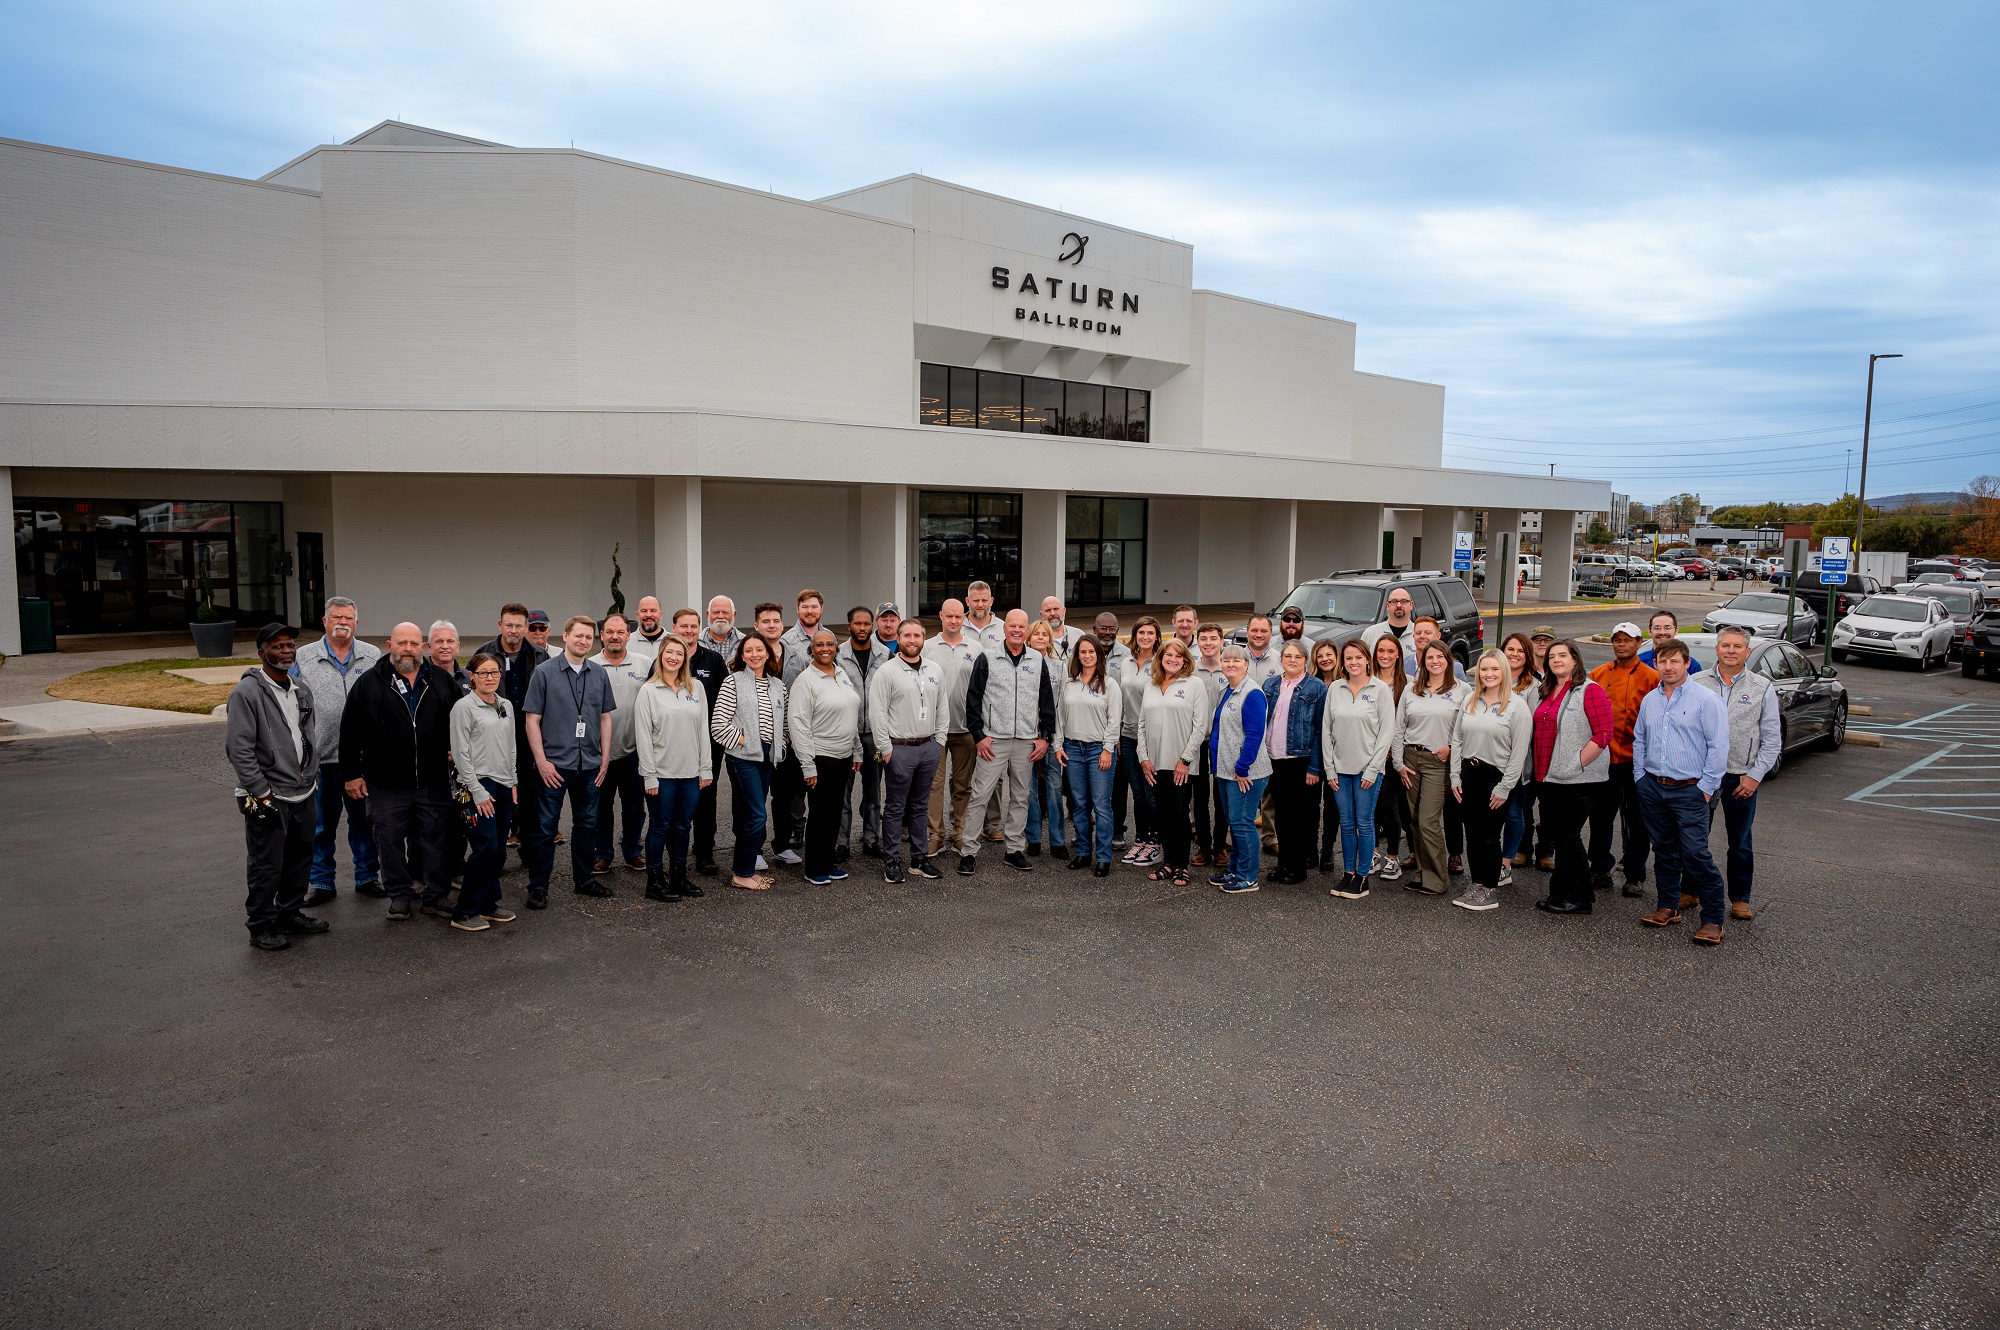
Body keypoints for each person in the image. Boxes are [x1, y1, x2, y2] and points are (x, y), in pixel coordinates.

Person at [340, 621, 460, 921]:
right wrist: (351, 774)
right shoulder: (369, 683)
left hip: (432, 779)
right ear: (389, 645)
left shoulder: (440, 681)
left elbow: (460, 719)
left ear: (423, 647)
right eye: (401, 643)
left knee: (436, 840)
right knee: (389, 841)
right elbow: (350, 732)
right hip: (385, 783)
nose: (408, 649)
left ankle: (435, 895)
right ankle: (400, 896)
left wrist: (456, 748)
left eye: (414, 643)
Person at [226, 623, 328, 950]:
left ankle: (289, 913)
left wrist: (311, 773)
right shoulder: (246, 694)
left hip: (304, 790)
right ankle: (260, 925)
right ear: (262, 653)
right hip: (268, 795)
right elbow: (239, 749)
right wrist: (261, 790)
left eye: (290, 645)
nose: (286, 651)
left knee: (300, 858)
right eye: (278, 646)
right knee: (266, 864)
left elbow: (308, 735)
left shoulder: (300, 689)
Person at [1634, 639, 1733, 944]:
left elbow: (1719, 746)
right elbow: (1640, 740)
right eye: (1662, 661)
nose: (1668, 667)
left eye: (1675, 661)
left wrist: (1706, 788)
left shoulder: (1706, 700)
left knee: (1695, 854)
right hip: (1653, 787)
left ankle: (1713, 919)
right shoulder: (1650, 700)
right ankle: (1668, 906)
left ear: (1687, 664)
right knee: (1664, 850)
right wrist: (1640, 777)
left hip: (1690, 790)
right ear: (1655, 664)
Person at [291, 596, 382, 906]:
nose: (342, 622)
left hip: (362, 761)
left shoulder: (372, 655)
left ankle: (367, 876)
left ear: (356, 623)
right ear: (325, 621)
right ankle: (321, 882)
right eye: (337, 617)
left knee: (364, 823)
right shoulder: (303, 657)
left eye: (348, 618)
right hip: (320, 760)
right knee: (320, 826)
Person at [522, 615, 617, 907]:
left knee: (587, 826)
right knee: (545, 829)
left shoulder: (599, 673)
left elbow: (605, 717)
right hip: (554, 765)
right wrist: (541, 761)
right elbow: (532, 720)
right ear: (565, 636)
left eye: (588, 637)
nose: (583, 641)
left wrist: (605, 757)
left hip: (589, 765)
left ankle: (584, 880)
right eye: (578, 635)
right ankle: (538, 887)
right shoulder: (544, 673)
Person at [958, 609, 1057, 874]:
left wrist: (1045, 738)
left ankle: (1014, 850)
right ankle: (968, 852)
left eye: (1021, 626)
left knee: (1020, 797)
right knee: (980, 796)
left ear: (1026, 629)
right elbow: (973, 698)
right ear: (1004, 628)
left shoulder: (1037, 659)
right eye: (1012, 625)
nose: (1016, 630)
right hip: (993, 741)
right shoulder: (988, 657)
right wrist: (978, 736)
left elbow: (1046, 700)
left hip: (1026, 741)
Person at [1692, 626, 1780, 923]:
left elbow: (1772, 739)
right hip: (1702, 776)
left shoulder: (1762, 687)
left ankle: (1740, 898)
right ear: (1716, 649)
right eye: (1726, 645)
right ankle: (1690, 890)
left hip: (1740, 778)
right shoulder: (1696, 682)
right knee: (1694, 839)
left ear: (1747, 651)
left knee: (1740, 843)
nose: (1731, 650)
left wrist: (1755, 776)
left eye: (1737, 646)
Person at [1530, 640, 1614, 917]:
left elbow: (1604, 733)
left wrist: (1576, 763)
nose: (1556, 660)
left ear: (1575, 660)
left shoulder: (1590, 690)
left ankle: (1580, 897)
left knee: (1568, 835)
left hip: (1580, 779)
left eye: (1562, 655)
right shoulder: (1546, 690)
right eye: (1552, 656)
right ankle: (1560, 894)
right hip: (1549, 777)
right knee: (1561, 836)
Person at [1450, 649, 1535, 913]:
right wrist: (1455, 775)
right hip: (1468, 773)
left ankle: (1490, 888)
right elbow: (1457, 739)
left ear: (1504, 672)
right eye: (1484, 669)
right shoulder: (1470, 700)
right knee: (1472, 833)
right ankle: (1477, 884)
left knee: (1488, 836)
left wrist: (1505, 786)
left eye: (1495, 669)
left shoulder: (1517, 707)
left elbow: (1519, 751)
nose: (1489, 674)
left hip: (1495, 777)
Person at [869, 617, 948, 884]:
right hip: (899, 748)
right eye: (907, 636)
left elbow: (942, 707)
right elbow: (877, 713)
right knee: (895, 807)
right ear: (898, 639)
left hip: (929, 747)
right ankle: (891, 860)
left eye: (917, 635)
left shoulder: (934, 670)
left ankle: (919, 858)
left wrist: (939, 741)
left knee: (920, 806)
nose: (912, 640)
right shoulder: (887, 672)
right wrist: (886, 749)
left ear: (923, 639)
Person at [633, 636, 712, 903]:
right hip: (662, 774)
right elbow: (643, 736)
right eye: (669, 652)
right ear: (661, 655)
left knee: (682, 826)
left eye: (679, 653)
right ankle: (655, 881)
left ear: (685, 659)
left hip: (690, 773)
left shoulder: (696, 688)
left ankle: (678, 876)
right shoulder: (648, 691)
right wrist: (649, 775)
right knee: (660, 826)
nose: (674, 657)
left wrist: (705, 768)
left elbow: (703, 730)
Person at [447, 653, 520, 932]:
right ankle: (464, 911)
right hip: (475, 785)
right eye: (483, 673)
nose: (490, 678)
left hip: (503, 784)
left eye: (494, 672)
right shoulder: (463, 708)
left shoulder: (506, 705)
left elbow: (511, 746)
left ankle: (488, 903)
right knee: (485, 846)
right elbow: (460, 754)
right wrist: (476, 791)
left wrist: (513, 782)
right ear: (472, 677)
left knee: (498, 847)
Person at [1588, 622, 1659, 897]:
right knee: (1600, 818)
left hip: (1636, 761)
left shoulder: (1651, 677)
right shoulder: (1598, 673)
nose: (1621, 644)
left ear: (1639, 643)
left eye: (1627, 640)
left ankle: (1634, 874)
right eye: (1617, 640)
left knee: (1637, 821)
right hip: (1603, 759)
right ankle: (1600, 869)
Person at [789, 629, 864, 886]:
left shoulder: (841, 673)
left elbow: (850, 714)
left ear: (836, 648)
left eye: (829, 644)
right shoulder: (806, 681)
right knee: (820, 814)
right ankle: (814, 867)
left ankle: (827, 861)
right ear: (811, 649)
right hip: (821, 757)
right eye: (819, 644)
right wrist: (807, 765)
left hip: (844, 756)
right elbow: (798, 724)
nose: (825, 648)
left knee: (834, 812)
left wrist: (856, 749)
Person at [710, 633, 785, 891]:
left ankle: (746, 870)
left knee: (749, 814)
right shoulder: (733, 682)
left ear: (768, 653)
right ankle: (742, 873)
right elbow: (718, 725)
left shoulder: (778, 686)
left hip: (768, 758)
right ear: (742, 656)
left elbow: (783, 725)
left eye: (759, 649)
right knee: (756, 815)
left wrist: (780, 747)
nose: (755, 654)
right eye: (749, 650)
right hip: (743, 758)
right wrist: (744, 740)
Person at [1136, 637, 1212, 887]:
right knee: (1163, 814)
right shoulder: (1151, 685)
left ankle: (1182, 865)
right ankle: (1168, 863)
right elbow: (1141, 725)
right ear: (1160, 658)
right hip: (1155, 764)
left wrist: (1185, 759)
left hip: (1182, 765)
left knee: (1180, 813)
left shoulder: (1194, 684)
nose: (1173, 659)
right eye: (1168, 654)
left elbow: (1201, 726)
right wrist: (1144, 758)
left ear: (1185, 660)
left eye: (1178, 656)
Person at [1324, 638, 1396, 900]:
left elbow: (1386, 732)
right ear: (1343, 662)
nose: (1353, 662)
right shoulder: (1335, 688)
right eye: (1348, 658)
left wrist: (1374, 769)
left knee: (1364, 824)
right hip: (1339, 770)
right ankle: (1349, 872)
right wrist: (1329, 769)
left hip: (1368, 771)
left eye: (1358, 657)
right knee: (1346, 824)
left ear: (1367, 660)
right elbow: (1326, 730)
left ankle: (1363, 877)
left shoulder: (1380, 690)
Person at [1396, 640, 1469, 896]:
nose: (1435, 661)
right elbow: (1399, 728)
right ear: (1423, 661)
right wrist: (1398, 763)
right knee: (1415, 820)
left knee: (1428, 820)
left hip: (1439, 762)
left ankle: (1438, 880)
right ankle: (1422, 875)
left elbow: (1466, 729)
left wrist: (1451, 747)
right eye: (1429, 657)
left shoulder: (1462, 690)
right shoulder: (1411, 689)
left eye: (1440, 656)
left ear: (1448, 660)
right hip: (1411, 759)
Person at [474, 603, 543, 859]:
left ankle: (529, 849)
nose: (513, 630)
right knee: (496, 798)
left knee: (529, 798)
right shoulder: (484, 654)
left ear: (526, 627)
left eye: (518, 626)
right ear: (500, 625)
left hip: (528, 737)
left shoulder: (539, 655)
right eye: (509, 625)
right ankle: (494, 855)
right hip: (493, 739)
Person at [588, 612, 652, 874]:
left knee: (634, 806)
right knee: (601, 808)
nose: (615, 636)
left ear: (628, 635)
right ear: (602, 635)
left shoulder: (645, 664)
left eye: (620, 632)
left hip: (634, 750)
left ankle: (632, 851)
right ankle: (602, 854)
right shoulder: (590, 666)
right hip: (598, 753)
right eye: (610, 632)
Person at [1053, 635, 1121, 876]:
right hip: (1072, 749)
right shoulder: (1069, 684)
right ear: (1077, 655)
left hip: (1098, 750)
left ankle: (1103, 857)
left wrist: (1108, 749)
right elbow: (1060, 717)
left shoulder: (1109, 685)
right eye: (1083, 652)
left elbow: (1114, 720)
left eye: (1092, 651)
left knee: (1101, 805)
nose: (1087, 656)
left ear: (1099, 655)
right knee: (1079, 804)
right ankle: (1083, 852)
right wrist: (1058, 745)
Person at [1260, 640, 1327, 885]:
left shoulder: (1317, 688)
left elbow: (1320, 730)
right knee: (1282, 815)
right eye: (1288, 655)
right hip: (1274, 759)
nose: (1292, 660)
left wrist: (1315, 767)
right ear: (1281, 659)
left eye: (1298, 656)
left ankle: (1297, 869)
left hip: (1301, 760)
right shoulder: (1270, 684)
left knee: (1299, 818)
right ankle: (1283, 864)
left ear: (1306, 660)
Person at [671, 607, 730, 877]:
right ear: (674, 628)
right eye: (683, 626)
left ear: (699, 628)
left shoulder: (713, 660)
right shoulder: (665, 660)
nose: (689, 631)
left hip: (708, 743)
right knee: (676, 798)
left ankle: (705, 852)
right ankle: (676, 855)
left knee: (706, 796)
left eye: (693, 626)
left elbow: (726, 700)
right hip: (674, 744)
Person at [1207, 646, 1272, 893]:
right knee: (1235, 824)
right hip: (1225, 770)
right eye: (1226, 660)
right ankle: (1234, 870)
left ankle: (1248, 876)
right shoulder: (1228, 690)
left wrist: (1243, 768)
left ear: (1246, 664)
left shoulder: (1252, 693)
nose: (1231, 664)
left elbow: (1255, 735)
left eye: (1237, 660)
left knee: (1243, 823)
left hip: (1245, 773)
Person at [923, 598, 983, 861]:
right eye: (949, 616)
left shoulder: (976, 648)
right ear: (941, 616)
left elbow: (982, 689)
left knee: (963, 785)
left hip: (966, 729)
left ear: (964, 617)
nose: (954, 621)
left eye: (959, 616)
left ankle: (959, 832)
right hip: (934, 731)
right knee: (933, 786)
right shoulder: (927, 647)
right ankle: (935, 835)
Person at [839, 605, 891, 860]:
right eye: (857, 624)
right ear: (849, 626)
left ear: (873, 626)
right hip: (845, 735)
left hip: (874, 735)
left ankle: (872, 839)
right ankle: (841, 843)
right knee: (842, 793)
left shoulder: (885, 655)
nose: (862, 628)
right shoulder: (837, 654)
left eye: (866, 624)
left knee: (873, 791)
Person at [1115, 615, 1162, 866]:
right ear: (1135, 636)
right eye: (1141, 632)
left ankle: (1155, 842)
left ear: (1157, 637)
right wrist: (1118, 734)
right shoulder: (1126, 662)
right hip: (1128, 736)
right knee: (1138, 795)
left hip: (1151, 739)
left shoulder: (1161, 662)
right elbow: (1121, 701)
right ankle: (1141, 839)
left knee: (1151, 793)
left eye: (1150, 633)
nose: (1145, 637)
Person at [1022, 620, 1071, 859]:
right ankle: (1033, 838)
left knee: (1054, 787)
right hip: (1027, 734)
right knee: (1029, 789)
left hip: (1052, 735)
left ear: (1050, 639)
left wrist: (1054, 736)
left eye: (1045, 634)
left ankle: (1057, 840)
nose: (1040, 637)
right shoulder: (1022, 664)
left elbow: (1062, 704)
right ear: (1028, 639)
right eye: (1036, 634)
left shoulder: (1059, 667)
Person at [1498, 631, 1543, 885]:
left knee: (1514, 812)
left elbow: (1531, 728)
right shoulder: (1492, 678)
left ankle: (1506, 863)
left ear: (1527, 656)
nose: (1514, 654)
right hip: (1490, 759)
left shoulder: (1533, 687)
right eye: (1510, 649)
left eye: (1520, 651)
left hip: (1518, 760)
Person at [1368, 634, 1412, 882]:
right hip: (1371, 753)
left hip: (1395, 755)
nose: (1385, 656)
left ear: (1398, 655)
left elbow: (1405, 722)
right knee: (1372, 808)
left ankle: (1393, 857)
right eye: (1381, 651)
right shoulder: (1369, 682)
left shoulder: (1409, 684)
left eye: (1390, 651)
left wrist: (1392, 749)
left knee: (1390, 807)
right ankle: (1373, 853)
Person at [1191, 623, 1230, 868]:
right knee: (1200, 796)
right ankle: (1204, 846)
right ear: (1198, 642)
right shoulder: (1191, 669)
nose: (1208, 643)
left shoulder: (1230, 668)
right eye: (1203, 638)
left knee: (1221, 795)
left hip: (1223, 742)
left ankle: (1220, 846)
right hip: (1198, 741)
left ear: (1221, 641)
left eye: (1213, 638)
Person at [1311, 640, 1345, 873]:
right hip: (1314, 752)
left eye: (1329, 654)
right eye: (1320, 655)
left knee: (1333, 806)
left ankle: (1328, 850)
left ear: (1337, 656)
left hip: (1338, 753)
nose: (1325, 659)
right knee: (1311, 805)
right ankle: (1310, 849)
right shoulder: (1310, 683)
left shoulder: (1345, 683)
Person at [1637, 609, 1702, 673]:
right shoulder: (1639, 663)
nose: (1662, 632)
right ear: (1649, 631)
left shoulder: (1691, 666)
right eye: (1657, 628)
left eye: (1667, 627)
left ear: (1676, 630)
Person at [1360, 588, 1417, 656]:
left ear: (1411, 605)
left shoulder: (1420, 635)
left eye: (1403, 601)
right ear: (1387, 606)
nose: (1399, 605)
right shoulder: (1370, 634)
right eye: (1394, 601)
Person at [1040, 595, 1085, 665]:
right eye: (1048, 610)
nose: (1052, 613)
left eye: (1056, 609)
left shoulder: (1079, 635)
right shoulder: (1037, 639)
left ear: (1064, 611)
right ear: (1041, 615)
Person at [1240, 614, 1281, 687]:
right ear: (1247, 632)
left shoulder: (1281, 660)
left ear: (1270, 634)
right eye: (1254, 630)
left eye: (1264, 631)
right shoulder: (1234, 659)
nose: (1259, 635)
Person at [965, 580, 1005, 651]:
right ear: (967, 601)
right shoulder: (957, 628)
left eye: (984, 600)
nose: (980, 605)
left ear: (991, 601)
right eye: (976, 600)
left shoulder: (1004, 629)